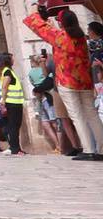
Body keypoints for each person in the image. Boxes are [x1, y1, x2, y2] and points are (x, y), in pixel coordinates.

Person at [24, 9, 103, 159]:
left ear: (62, 23)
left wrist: (39, 13)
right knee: (92, 115)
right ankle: (101, 149)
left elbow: (38, 26)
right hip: (85, 81)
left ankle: (88, 149)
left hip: (67, 82)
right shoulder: (82, 38)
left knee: (77, 116)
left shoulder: (60, 36)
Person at [0, 55, 27, 153]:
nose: (14, 60)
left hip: (14, 102)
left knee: (14, 126)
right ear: (7, 61)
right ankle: (15, 148)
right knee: (14, 126)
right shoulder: (7, 72)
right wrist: (3, 102)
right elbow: (5, 86)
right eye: (12, 58)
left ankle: (15, 147)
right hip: (12, 103)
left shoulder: (7, 71)